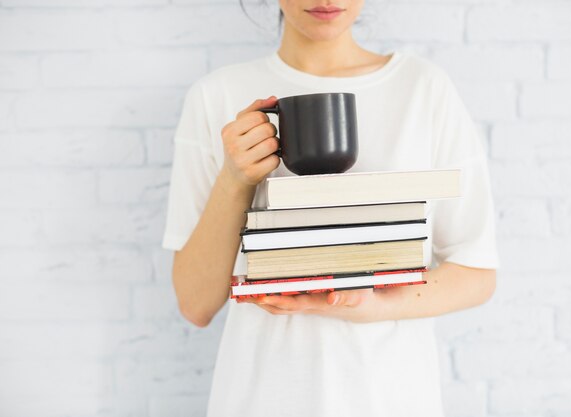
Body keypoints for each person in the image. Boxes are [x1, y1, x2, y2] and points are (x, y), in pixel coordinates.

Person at [161, 1, 499, 416]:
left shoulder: (422, 87)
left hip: (389, 396)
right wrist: (234, 179)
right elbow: (196, 304)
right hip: (261, 397)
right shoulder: (216, 95)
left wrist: (369, 303)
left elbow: (476, 273)